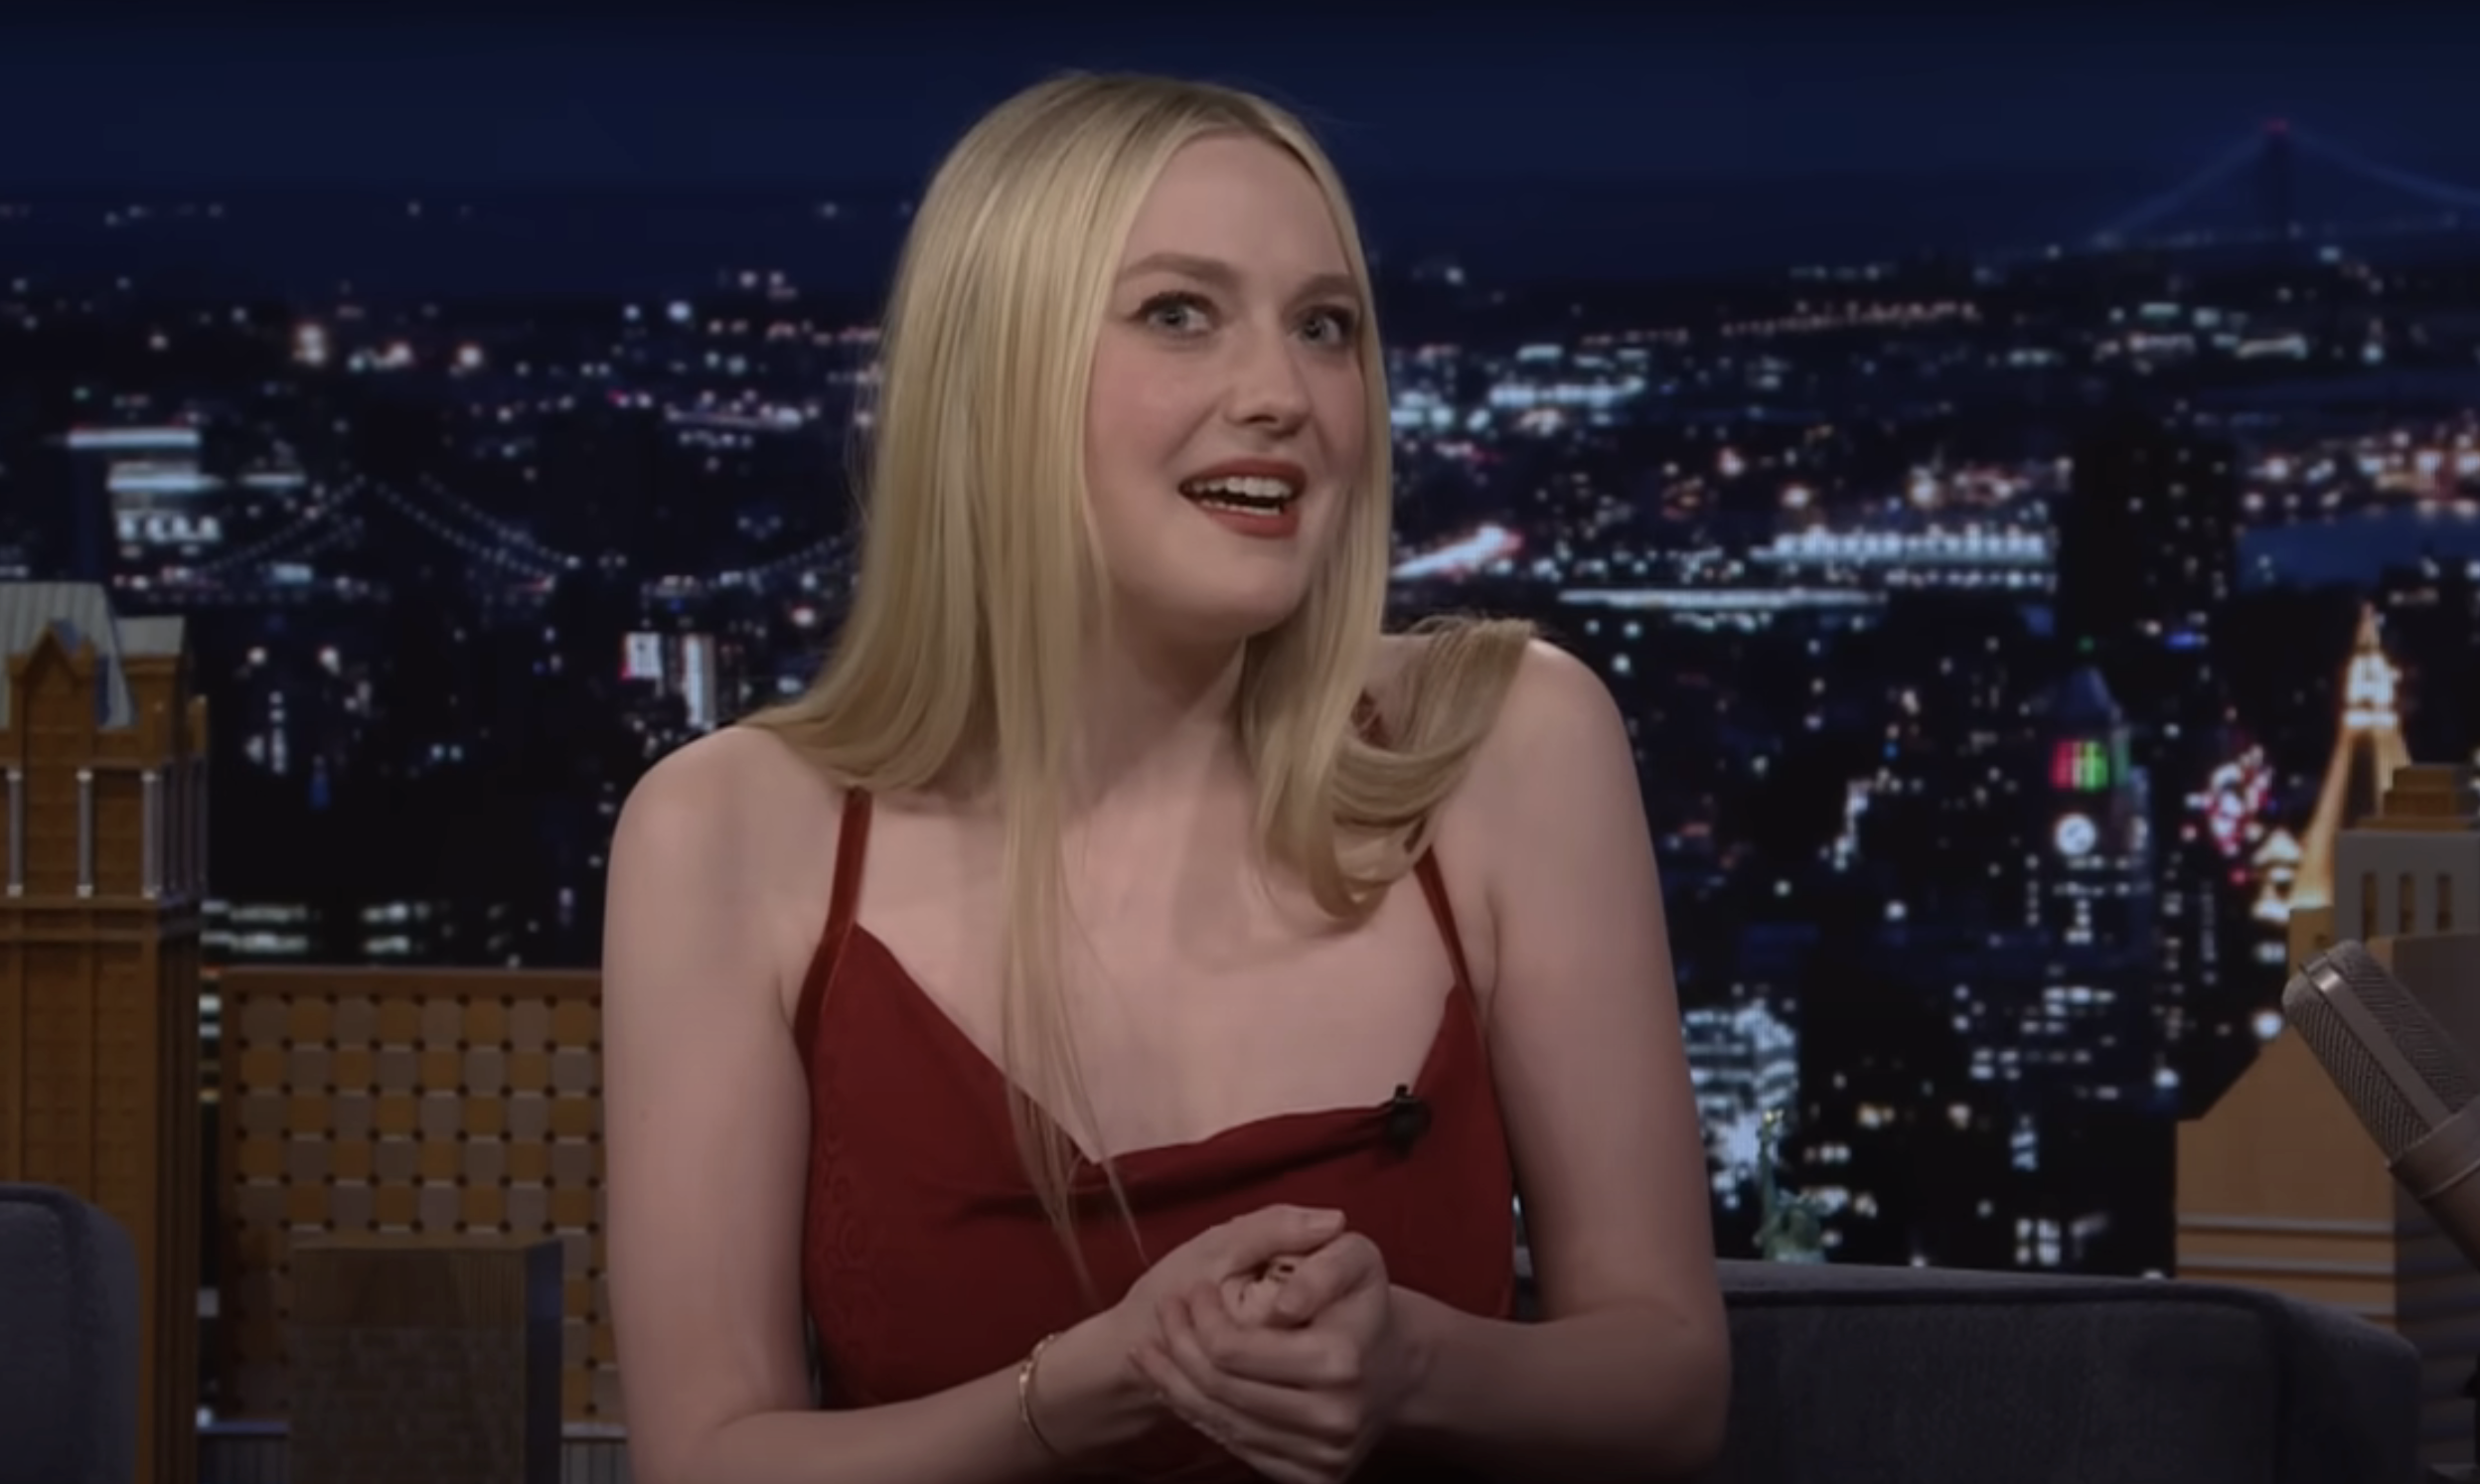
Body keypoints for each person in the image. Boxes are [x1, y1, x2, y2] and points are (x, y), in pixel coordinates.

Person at [601, 71, 1728, 1484]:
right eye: (1179, 313)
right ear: (999, 368)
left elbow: (1671, 1378)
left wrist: (1421, 1361)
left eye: (1326, 327)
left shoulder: (1508, 743)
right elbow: (705, 1463)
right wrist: (1072, 1396)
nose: (1284, 395)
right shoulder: (727, 833)